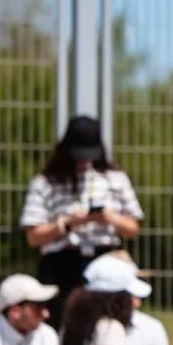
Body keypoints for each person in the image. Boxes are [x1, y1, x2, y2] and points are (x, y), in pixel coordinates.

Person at [19, 115, 144, 329]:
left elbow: (133, 228)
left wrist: (110, 218)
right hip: (63, 265)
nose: (84, 162)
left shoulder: (115, 179)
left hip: (106, 260)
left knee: (109, 326)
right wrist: (66, 223)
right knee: (62, 327)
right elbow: (33, 237)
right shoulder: (45, 182)